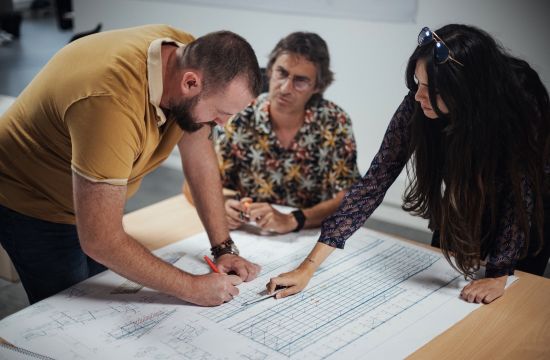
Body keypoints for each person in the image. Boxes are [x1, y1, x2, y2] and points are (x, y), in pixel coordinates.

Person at [267, 24, 550, 304]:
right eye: (418, 83)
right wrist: (307, 267)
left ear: (464, 89)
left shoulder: (519, 96)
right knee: (442, 298)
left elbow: (521, 191)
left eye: (430, 88)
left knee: (507, 310)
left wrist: (500, 274)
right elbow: (374, 182)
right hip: (461, 201)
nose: (417, 96)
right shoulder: (419, 101)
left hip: (527, 214)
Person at [0, 25, 264, 306]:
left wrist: (223, 248)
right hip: (30, 193)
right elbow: (100, 240)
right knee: (75, 307)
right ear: (190, 83)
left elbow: (199, 156)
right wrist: (191, 287)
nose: (223, 124)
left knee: (105, 291)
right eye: (222, 113)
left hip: (85, 185)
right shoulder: (111, 101)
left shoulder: (192, 59)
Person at [215, 32, 361, 234]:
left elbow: (351, 195)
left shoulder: (334, 122)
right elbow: (194, 185)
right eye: (281, 73)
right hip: (251, 234)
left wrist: (294, 219)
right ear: (270, 70)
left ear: (317, 86)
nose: (285, 88)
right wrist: (223, 204)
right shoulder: (241, 116)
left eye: (300, 81)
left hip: (309, 234)